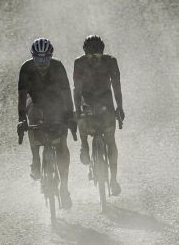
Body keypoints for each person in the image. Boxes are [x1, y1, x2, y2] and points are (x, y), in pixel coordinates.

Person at [17, 38, 77, 209]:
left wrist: (69, 116)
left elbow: (66, 95)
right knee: (32, 118)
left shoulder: (58, 67)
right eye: (38, 59)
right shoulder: (26, 68)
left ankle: (64, 188)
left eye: (45, 59)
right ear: (33, 57)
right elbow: (21, 98)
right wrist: (21, 119)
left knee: (61, 144)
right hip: (34, 101)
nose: (42, 63)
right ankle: (36, 159)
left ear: (50, 57)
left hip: (55, 102)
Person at [73, 35, 125, 196]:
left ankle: (113, 180)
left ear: (103, 52)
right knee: (82, 121)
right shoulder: (79, 63)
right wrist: (78, 111)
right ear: (85, 53)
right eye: (90, 55)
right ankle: (84, 146)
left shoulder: (111, 61)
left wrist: (120, 107)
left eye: (97, 55)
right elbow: (77, 90)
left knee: (110, 139)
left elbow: (117, 86)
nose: (94, 58)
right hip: (86, 99)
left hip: (105, 101)